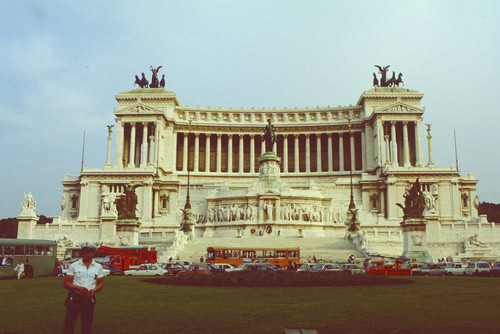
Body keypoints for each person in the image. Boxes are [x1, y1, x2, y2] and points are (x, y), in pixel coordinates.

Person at [63, 242, 104, 334]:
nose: (84, 254)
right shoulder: (74, 265)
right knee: (69, 323)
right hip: (75, 297)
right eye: (83, 252)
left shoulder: (98, 267)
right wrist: (77, 288)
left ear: (93, 254)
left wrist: (94, 290)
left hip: (89, 297)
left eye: (87, 252)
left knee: (87, 324)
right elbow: (66, 283)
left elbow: (100, 283)